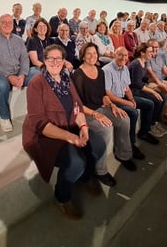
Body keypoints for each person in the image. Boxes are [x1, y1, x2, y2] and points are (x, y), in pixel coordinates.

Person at [23, 44, 106, 220]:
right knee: (75, 163)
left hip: (70, 125)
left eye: (58, 59)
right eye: (50, 59)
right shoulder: (36, 83)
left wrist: (83, 127)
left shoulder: (66, 79)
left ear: (63, 61)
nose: (55, 62)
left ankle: (85, 177)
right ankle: (62, 197)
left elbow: (77, 107)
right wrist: (70, 137)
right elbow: (39, 122)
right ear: (44, 61)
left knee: (98, 145)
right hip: (46, 134)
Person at [72, 43, 136, 186]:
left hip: (101, 107)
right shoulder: (78, 75)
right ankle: (99, 170)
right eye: (89, 53)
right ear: (83, 56)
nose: (92, 56)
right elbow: (77, 105)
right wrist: (96, 114)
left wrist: (113, 106)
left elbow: (103, 96)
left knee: (124, 119)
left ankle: (123, 155)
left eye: (94, 53)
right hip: (85, 113)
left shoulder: (100, 72)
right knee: (106, 128)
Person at [0, 14, 31, 132]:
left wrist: (22, 75)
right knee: (3, 84)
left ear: (13, 25)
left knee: (37, 75)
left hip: (17, 72)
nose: (7, 24)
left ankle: (37, 110)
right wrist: (9, 76)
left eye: (9, 22)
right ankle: (4, 117)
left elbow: (25, 58)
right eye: (3, 22)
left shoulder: (19, 40)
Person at [103, 46, 153, 152]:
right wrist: (127, 102)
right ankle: (131, 143)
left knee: (149, 104)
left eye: (125, 55)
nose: (123, 58)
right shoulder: (107, 70)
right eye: (120, 55)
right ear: (114, 55)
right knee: (133, 112)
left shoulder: (125, 68)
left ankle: (144, 132)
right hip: (113, 101)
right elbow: (108, 94)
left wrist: (131, 99)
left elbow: (126, 88)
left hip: (124, 97)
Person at [128, 43, 167, 135]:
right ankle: (148, 127)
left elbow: (144, 78)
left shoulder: (145, 62)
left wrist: (155, 81)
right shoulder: (136, 64)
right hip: (133, 91)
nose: (152, 53)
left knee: (162, 96)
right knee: (155, 99)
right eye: (150, 51)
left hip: (139, 88)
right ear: (142, 53)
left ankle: (154, 122)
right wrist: (153, 92)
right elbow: (137, 84)